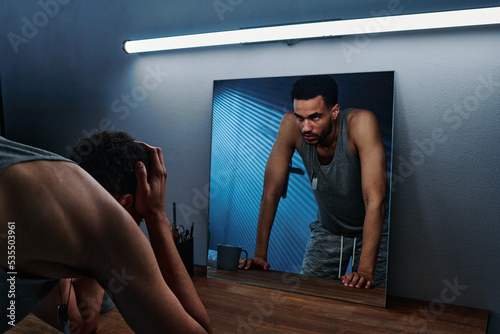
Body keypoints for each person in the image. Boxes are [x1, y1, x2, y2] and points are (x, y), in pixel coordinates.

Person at [0, 134, 212, 333]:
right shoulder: (110, 222)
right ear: (125, 203)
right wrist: (156, 216)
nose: (135, 230)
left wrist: (99, 256)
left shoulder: (42, 177)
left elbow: (80, 323)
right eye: (138, 221)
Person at [241, 75, 388, 289]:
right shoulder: (291, 125)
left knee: (367, 302)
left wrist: (365, 270)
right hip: (329, 227)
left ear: (335, 111)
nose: (306, 127)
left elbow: (375, 200)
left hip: (375, 228)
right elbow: (271, 193)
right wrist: (259, 255)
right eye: (300, 117)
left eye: (315, 117)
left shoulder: (361, 123)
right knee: (307, 296)